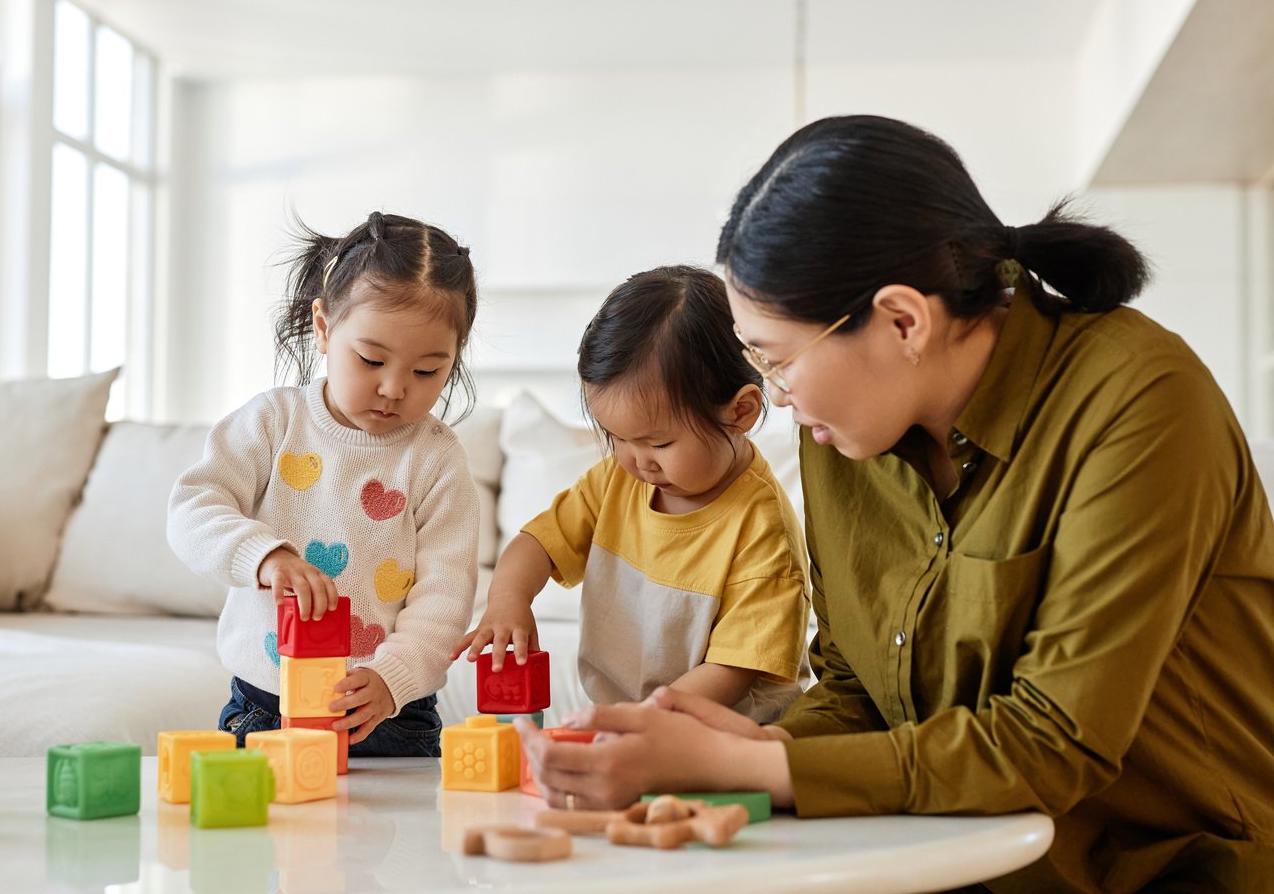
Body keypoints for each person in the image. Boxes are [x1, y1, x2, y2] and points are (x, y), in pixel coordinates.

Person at [515, 117, 1274, 892]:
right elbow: (856, 692)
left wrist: (748, 763)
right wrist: (721, 765)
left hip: (1171, 869)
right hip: (947, 857)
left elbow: (1052, 743)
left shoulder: (1140, 403)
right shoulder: (844, 432)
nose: (775, 398)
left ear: (903, 320)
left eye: (777, 360)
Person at [168, 210, 481, 757]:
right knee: (263, 840)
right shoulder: (271, 423)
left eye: (427, 372)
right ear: (323, 326)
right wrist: (264, 556)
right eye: (371, 359)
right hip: (267, 706)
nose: (393, 388)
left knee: (400, 845)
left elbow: (444, 598)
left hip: (388, 716)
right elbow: (193, 509)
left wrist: (394, 679)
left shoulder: (436, 458)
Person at [453, 265, 809, 722]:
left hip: (727, 732)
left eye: (659, 443)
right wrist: (508, 601)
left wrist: (642, 723)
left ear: (739, 412)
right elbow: (537, 544)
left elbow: (731, 672)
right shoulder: (618, 481)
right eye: (616, 437)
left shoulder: (763, 532)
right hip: (637, 722)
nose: (636, 460)